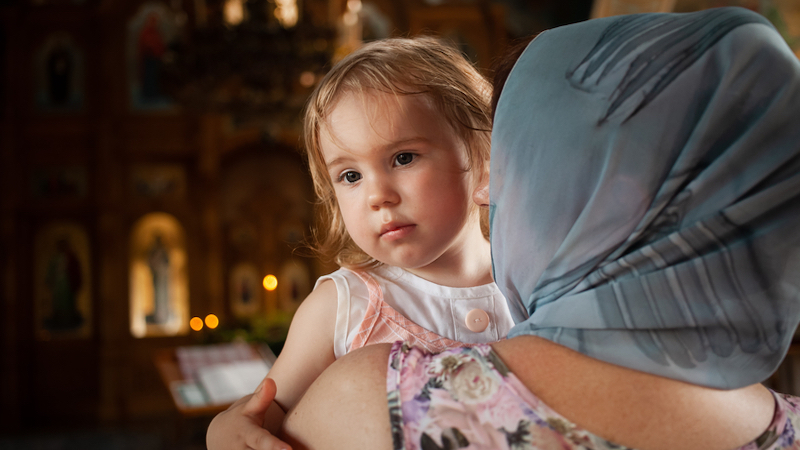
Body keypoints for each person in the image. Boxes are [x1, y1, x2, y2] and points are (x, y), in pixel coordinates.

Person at [277, 7, 800, 450]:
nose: (492, 190)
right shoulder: (787, 426)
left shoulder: (374, 399)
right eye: (348, 174)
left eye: (520, 158)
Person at [206, 37, 515, 450]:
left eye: (403, 158)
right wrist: (225, 430)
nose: (377, 195)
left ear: (483, 157)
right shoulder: (344, 306)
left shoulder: (536, 277)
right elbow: (266, 410)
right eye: (350, 176)